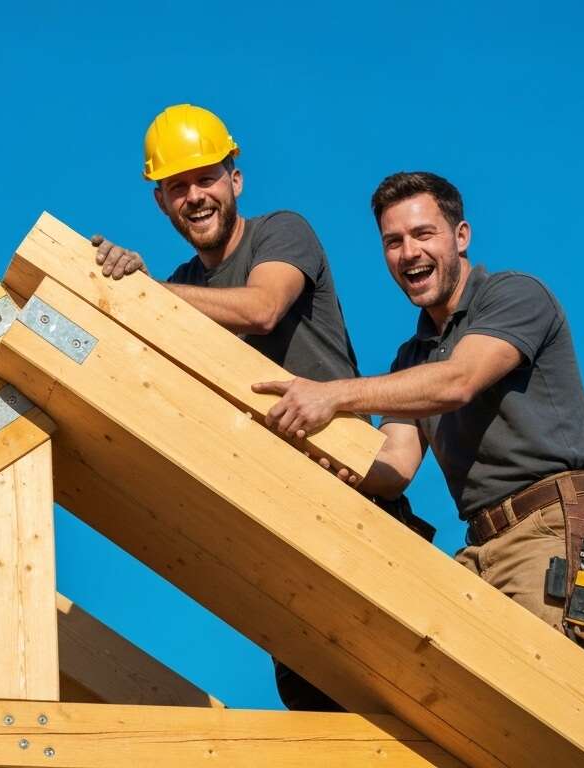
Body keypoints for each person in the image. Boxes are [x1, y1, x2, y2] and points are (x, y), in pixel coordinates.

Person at [92, 105, 432, 707]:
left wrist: (149, 294)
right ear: (161, 203)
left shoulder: (281, 233)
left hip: (351, 493)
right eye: (177, 187)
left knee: (417, 702)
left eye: (207, 179)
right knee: (322, 715)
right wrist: (111, 289)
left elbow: (263, 310)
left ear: (235, 180)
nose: (195, 197)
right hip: (279, 520)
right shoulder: (178, 285)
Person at [253, 171, 584, 659]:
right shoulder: (412, 360)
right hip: (480, 546)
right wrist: (312, 459)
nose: (408, 252)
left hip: (550, 532)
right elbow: (394, 467)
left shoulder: (514, 296)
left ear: (461, 236)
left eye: (422, 234)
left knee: (543, 702)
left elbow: (460, 379)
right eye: (393, 241)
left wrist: (332, 395)